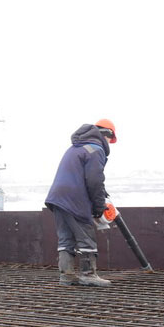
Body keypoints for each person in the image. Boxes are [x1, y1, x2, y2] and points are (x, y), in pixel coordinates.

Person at [45, 119, 117, 287]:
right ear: (106, 135)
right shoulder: (96, 149)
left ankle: (67, 275)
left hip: (57, 198)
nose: (109, 144)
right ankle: (88, 274)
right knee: (86, 236)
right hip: (74, 199)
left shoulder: (75, 147)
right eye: (110, 140)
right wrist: (99, 207)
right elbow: (94, 181)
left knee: (65, 238)